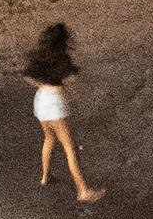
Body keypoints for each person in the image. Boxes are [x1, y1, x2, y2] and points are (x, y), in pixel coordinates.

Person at [24, 22, 104, 202]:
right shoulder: (62, 58)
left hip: (40, 99)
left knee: (49, 138)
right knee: (69, 147)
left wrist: (41, 84)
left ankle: (45, 177)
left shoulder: (39, 56)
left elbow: (27, 75)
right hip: (55, 103)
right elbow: (71, 78)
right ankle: (82, 190)